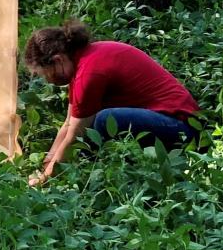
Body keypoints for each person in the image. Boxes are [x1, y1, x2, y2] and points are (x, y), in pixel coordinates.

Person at [23, 18, 198, 185]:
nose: (49, 80)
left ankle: (86, 178)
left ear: (58, 60)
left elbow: (74, 135)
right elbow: (68, 123)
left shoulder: (89, 72)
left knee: (103, 121)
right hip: (172, 122)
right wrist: (46, 164)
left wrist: (46, 179)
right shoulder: (83, 61)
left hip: (182, 128)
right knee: (96, 124)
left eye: (46, 74)